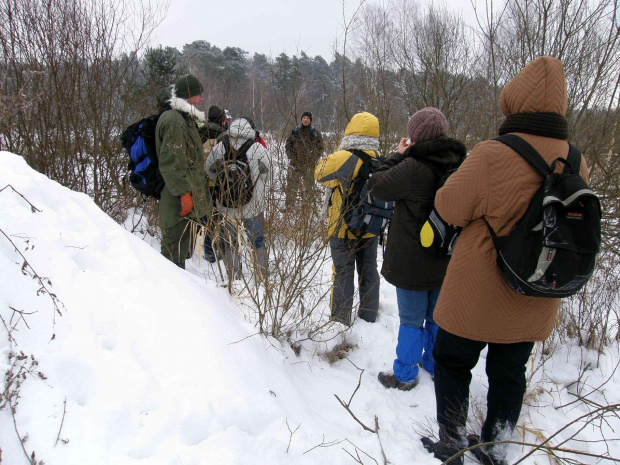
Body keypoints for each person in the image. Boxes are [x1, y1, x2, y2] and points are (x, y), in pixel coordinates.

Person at [421, 57, 591, 465]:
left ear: (515, 100)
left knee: (452, 360)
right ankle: (495, 447)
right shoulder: (576, 159)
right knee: (511, 372)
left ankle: (452, 441)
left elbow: (449, 206)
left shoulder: (493, 153)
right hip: (537, 285)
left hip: (478, 289)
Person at [368, 108, 466, 391]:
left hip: (413, 260)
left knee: (411, 320)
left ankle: (405, 375)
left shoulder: (412, 167)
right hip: (445, 256)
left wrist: (397, 155)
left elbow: (378, 186)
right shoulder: (460, 164)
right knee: (436, 317)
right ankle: (433, 364)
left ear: (415, 137)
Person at [314, 112, 381, 326]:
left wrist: (337, 150)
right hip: (371, 225)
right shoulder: (380, 156)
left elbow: (319, 173)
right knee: (369, 269)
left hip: (343, 226)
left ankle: (340, 320)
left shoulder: (345, 156)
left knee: (343, 271)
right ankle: (369, 315)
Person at [155, 74, 212, 268]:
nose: (201, 99)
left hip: (184, 199)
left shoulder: (183, 119)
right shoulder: (174, 120)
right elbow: (172, 163)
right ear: (188, 96)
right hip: (177, 202)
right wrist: (184, 194)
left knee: (180, 254)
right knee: (172, 259)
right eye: (198, 94)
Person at [205, 118, 271, 282]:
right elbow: (268, 173)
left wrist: (223, 184)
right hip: (253, 205)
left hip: (226, 205)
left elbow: (209, 169)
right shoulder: (257, 148)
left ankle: (234, 276)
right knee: (257, 240)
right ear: (250, 130)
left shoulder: (220, 147)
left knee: (230, 242)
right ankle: (261, 275)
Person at [286, 111, 325, 206]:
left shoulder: (315, 133)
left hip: (309, 165)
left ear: (310, 120)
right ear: (301, 119)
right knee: (292, 186)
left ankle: (310, 207)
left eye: (307, 118)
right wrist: (291, 156)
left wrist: (313, 158)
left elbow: (320, 148)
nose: (305, 120)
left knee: (309, 187)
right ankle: (289, 206)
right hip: (295, 164)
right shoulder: (295, 131)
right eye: (304, 118)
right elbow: (288, 145)